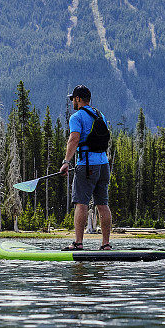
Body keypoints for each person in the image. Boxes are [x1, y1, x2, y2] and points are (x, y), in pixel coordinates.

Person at [59, 85, 112, 251]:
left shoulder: (77, 117)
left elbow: (74, 140)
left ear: (78, 99)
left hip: (87, 165)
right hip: (104, 165)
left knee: (81, 204)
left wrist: (66, 162)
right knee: (102, 204)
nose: (72, 102)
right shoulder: (99, 114)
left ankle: (78, 243)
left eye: (73, 99)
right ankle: (105, 244)